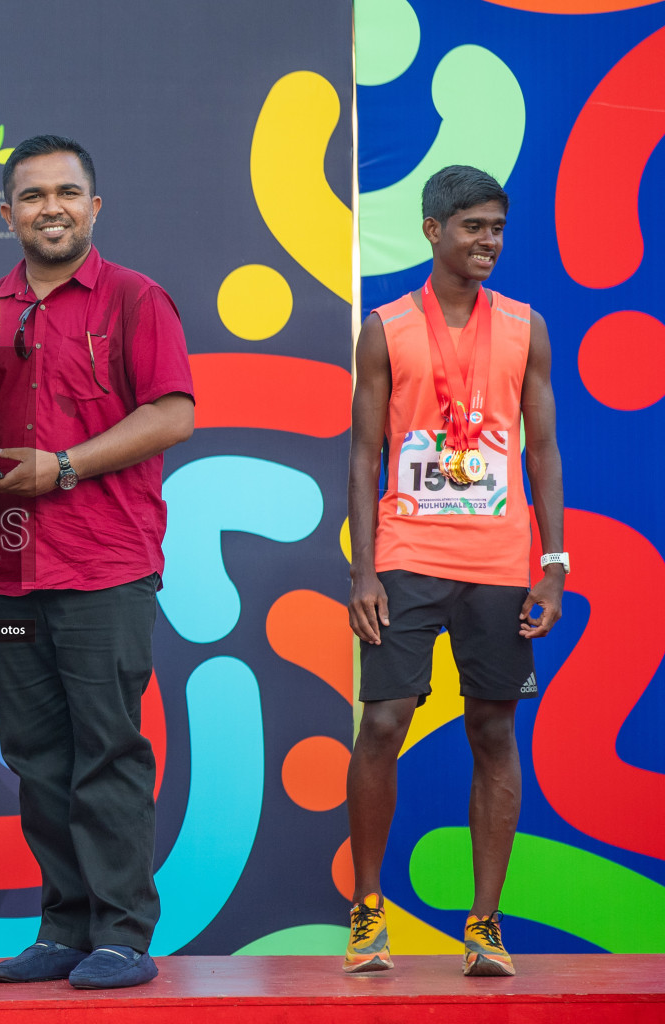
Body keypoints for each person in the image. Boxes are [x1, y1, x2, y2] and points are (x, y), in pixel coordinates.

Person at [0, 135, 194, 990]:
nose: (49, 207)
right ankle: (64, 926)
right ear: (9, 211)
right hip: (9, 566)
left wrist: (60, 467)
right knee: (34, 756)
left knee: (107, 751)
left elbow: (171, 415)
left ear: (94, 208)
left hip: (105, 564)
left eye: (66, 192)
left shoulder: (136, 298)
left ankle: (123, 933)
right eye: (31, 195)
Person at [344, 165, 564, 978]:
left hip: (502, 562)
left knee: (494, 729)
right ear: (432, 230)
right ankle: (368, 914)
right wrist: (364, 570)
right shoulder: (388, 327)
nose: (490, 243)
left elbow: (541, 449)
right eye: (474, 227)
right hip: (407, 553)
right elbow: (366, 451)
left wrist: (553, 564)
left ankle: (485, 924)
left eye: (499, 229)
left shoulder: (526, 327)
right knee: (384, 722)